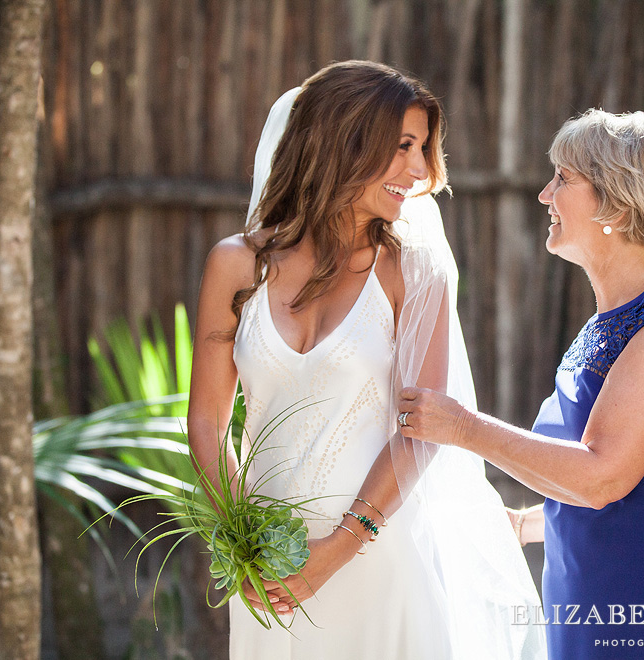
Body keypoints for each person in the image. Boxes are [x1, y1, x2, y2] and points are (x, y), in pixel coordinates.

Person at [188, 60, 544, 660]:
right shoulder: (234, 265)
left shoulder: (414, 272)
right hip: (269, 573)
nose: (421, 169)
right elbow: (207, 422)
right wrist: (243, 538)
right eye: (404, 146)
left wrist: (342, 544)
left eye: (425, 147)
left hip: (382, 551)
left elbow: (421, 431)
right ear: (342, 141)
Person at [399, 109, 644, 659]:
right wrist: (522, 525)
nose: (545, 195)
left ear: (614, 201)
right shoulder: (610, 322)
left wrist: (463, 428)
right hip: (592, 610)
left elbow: (601, 477)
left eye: (563, 179)